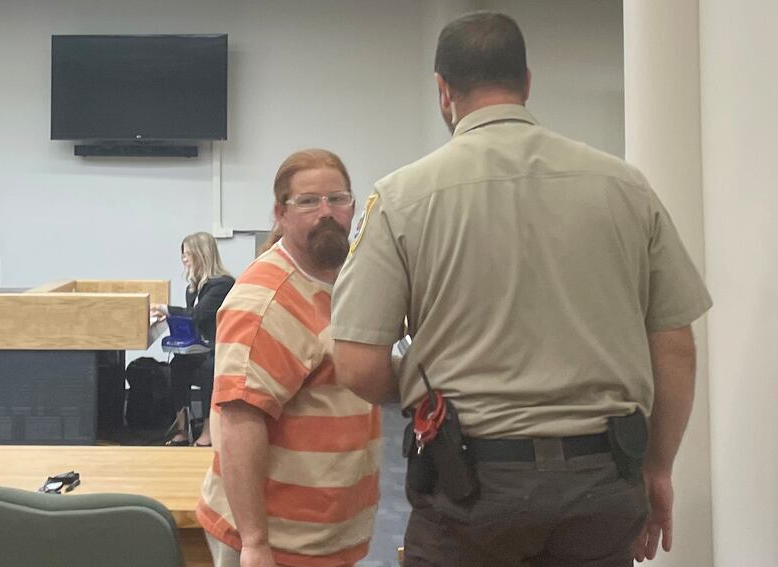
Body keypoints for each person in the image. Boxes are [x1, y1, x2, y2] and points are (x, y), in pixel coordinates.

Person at [331, 12, 712, 567]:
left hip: (469, 487)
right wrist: (657, 468)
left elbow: (357, 364)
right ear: (527, 82)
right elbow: (676, 345)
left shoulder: (401, 198)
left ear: (443, 91)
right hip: (601, 481)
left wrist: (421, 393)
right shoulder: (625, 186)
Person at [195, 149, 381, 567]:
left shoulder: (343, 280)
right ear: (280, 212)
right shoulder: (265, 298)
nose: (327, 212)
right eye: (309, 201)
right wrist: (255, 543)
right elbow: (240, 421)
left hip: (325, 532)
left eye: (338, 199)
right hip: (277, 541)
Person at [151, 231, 234, 447]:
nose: (184, 259)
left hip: (218, 349)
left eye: (187, 254)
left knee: (208, 370)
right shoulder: (194, 287)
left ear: (201, 254)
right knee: (177, 366)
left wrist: (166, 309)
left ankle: (208, 430)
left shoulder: (222, 284)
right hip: (199, 348)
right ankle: (182, 427)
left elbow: (198, 315)